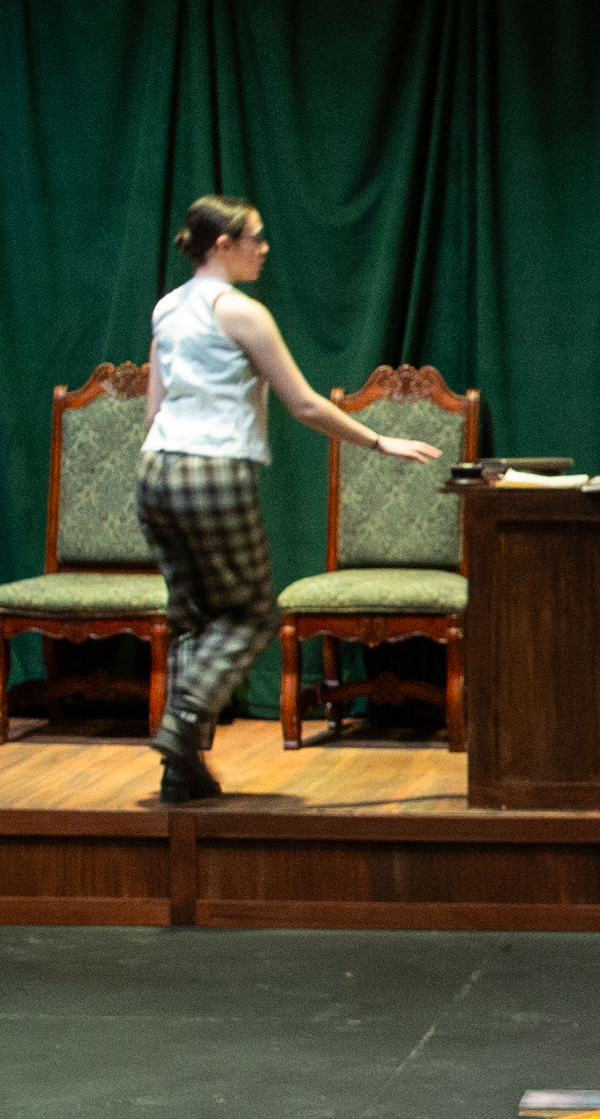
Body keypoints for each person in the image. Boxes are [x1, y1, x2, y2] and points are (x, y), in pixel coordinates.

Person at [139, 197, 446, 807]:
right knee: (250, 617)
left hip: (157, 470)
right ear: (223, 245)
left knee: (193, 621)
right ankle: (184, 720)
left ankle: (183, 770)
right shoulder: (240, 313)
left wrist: (163, 461)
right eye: (255, 237)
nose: (264, 248)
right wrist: (379, 440)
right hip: (213, 471)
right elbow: (303, 404)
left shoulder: (167, 308)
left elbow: (155, 407)